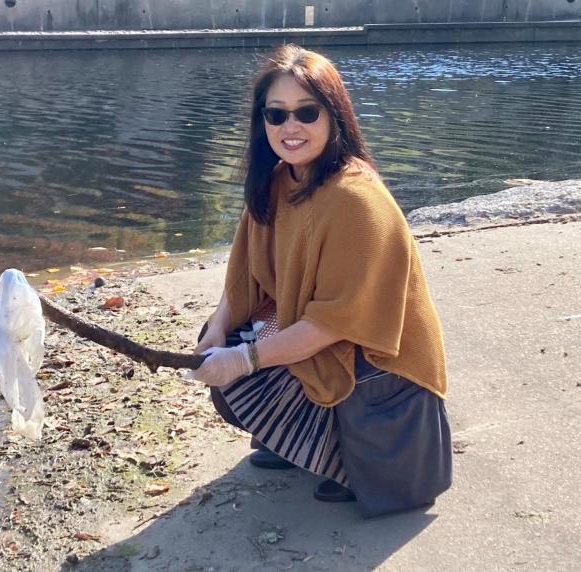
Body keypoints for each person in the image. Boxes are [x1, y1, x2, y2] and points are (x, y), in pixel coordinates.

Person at [186, 44, 452, 518]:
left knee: (250, 364)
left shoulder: (356, 199)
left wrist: (243, 359)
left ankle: (352, 466)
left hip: (379, 363)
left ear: (335, 116)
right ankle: (296, 442)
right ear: (261, 120)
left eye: (307, 112)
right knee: (224, 351)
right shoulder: (276, 181)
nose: (291, 127)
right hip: (325, 332)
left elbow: (335, 324)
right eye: (277, 114)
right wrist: (218, 328)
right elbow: (246, 272)